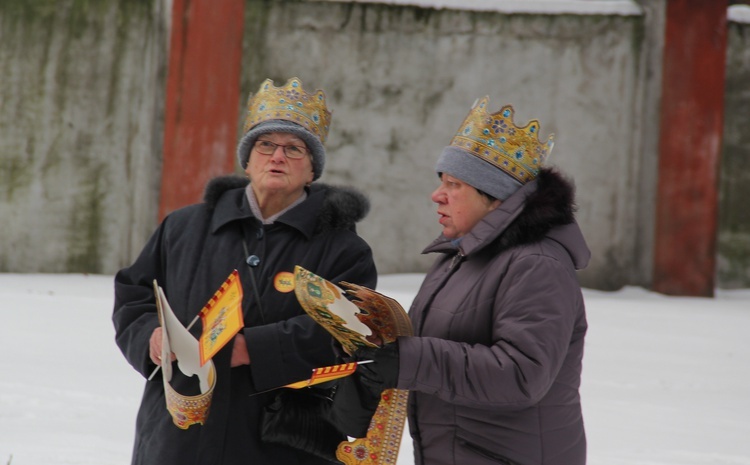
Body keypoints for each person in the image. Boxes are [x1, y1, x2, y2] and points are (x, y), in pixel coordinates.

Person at [112, 76, 377, 465]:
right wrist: (151, 336)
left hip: (280, 441)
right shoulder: (183, 227)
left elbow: (348, 333)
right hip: (179, 432)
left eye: (294, 149)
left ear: (312, 169)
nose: (277, 156)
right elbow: (134, 295)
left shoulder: (344, 250)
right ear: (248, 158)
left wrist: (252, 349)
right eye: (266, 144)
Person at [346, 97, 590, 465]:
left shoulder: (537, 265)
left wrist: (409, 360)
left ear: (495, 199)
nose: (437, 195)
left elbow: (522, 374)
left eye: (454, 184)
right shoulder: (460, 255)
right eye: (442, 181)